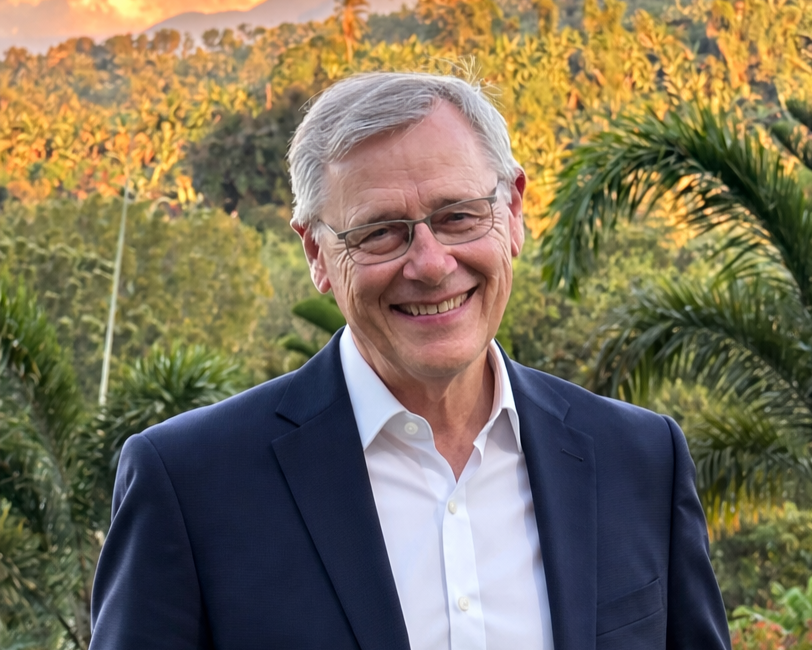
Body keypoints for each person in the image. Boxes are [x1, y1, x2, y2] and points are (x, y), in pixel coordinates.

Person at [89, 72, 731, 650]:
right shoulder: (191, 484)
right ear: (315, 252)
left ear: (512, 213)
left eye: (458, 216)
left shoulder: (640, 459)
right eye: (379, 232)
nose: (429, 264)